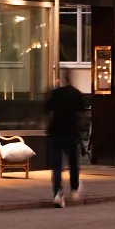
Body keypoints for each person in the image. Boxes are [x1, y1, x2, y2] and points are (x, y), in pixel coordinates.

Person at [46, 69, 86, 208]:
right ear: (72, 78)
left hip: (56, 132)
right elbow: (82, 113)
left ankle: (58, 192)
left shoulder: (56, 93)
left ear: (63, 78)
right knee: (73, 163)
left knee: (56, 166)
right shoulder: (76, 94)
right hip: (71, 132)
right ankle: (74, 188)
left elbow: (47, 109)